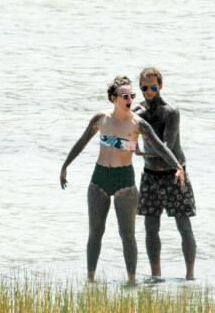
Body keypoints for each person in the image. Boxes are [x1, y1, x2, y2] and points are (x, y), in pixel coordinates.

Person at [60, 76, 185, 283]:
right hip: (99, 178)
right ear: (114, 98)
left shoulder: (138, 123)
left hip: (124, 181)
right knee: (95, 233)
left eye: (132, 95)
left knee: (127, 235)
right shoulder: (100, 119)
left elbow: (160, 146)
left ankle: (131, 280)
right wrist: (65, 166)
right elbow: (82, 142)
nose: (130, 99)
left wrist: (177, 167)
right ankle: (90, 280)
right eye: (125, 96)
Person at [134, 67, 197, 280]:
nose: (149, 91)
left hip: (174, 173)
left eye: (153, 87)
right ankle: (156, 276)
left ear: (160, 85)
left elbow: (167, 148)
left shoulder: (170, 111)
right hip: (150, 175)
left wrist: (141, 151)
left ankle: (190, 277)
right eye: (144, 88)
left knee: (183, 226)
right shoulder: (137, 112)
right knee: (151, 228)